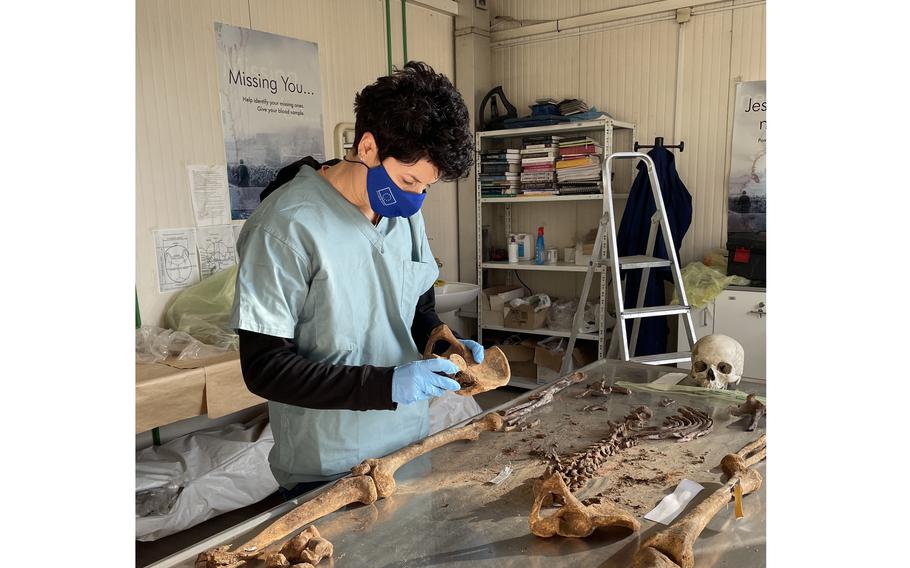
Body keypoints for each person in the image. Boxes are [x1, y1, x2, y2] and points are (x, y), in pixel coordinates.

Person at [230, 62, 477, 499]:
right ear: (367, 147)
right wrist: (387, 385)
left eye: (426, 187)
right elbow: (264, 367)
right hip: (330, 466)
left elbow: (415, 308)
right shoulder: (285, 227)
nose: (416, 198)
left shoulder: (405, 218)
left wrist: (442, 341)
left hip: (408, 447)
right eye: (408, 181)